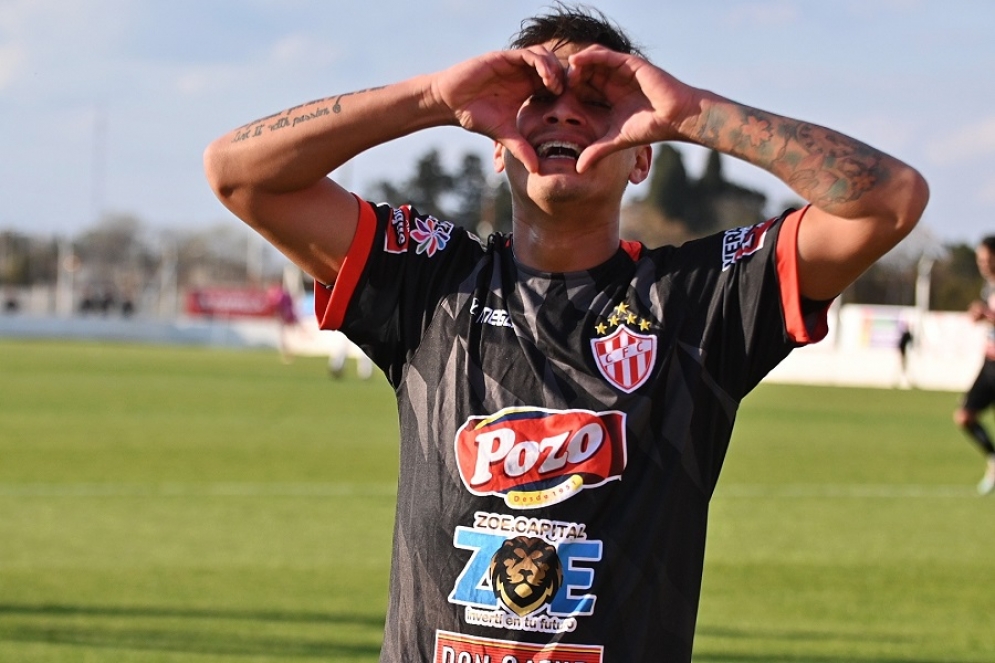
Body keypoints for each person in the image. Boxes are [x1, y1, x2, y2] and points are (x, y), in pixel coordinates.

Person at [203, 6, 928, 661]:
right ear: (495, 141)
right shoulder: (428, 280)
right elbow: (240, 174)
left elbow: (888, 201)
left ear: (643, 153)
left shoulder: (700, 300)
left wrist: (694, 113)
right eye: (537, 99)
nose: (563, 115)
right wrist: (432, 100)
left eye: (597, 102)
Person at [953, 236, 995, 495]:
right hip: (990, 363)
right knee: (964, 417)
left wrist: (988, 316)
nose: (983, 264)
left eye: (987, 259)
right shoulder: (988, 287)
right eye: (980, 260)